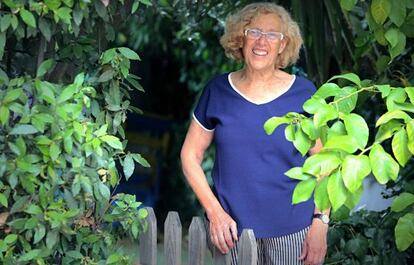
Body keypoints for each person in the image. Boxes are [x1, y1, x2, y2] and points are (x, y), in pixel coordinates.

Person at [180, 2, 329, 265]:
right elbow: (190, 154)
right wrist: (215, 212)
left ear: (283, 45)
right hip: (233, 233)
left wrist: (320, 223)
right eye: (254, 32)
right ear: (241, 38)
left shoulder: (304, 94)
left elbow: (324, 164)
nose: (262, 41)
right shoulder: (218, 91)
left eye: (273, 34)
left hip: (293, 231)